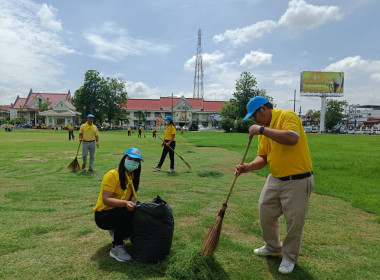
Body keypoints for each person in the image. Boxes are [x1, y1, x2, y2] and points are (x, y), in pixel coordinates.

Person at [235, 96, 314, 274]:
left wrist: (262, 129)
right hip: (276, 178)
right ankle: (272, 246)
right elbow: (263, 157)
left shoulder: (288, 116)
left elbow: (292, 137)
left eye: (255, 116)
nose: (254, 120)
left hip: (298, 180)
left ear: (263, 109)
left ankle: (289, 257)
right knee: (265, 211)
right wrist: (248, 166)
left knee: (294, 221)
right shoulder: (265, 131)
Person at [93, 147, 143, 262]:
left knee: (136, 211)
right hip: (103, 215)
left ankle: (120, 232)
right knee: (125, 211)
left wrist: (131, 203)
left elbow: (131, 196)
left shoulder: (132, 176)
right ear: (124, 158)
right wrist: (126, 204)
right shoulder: (112, 175)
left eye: (136, 161)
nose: (133, 162)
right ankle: (116, 247)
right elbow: (106, 200)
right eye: (130, 158)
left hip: (116, 211)